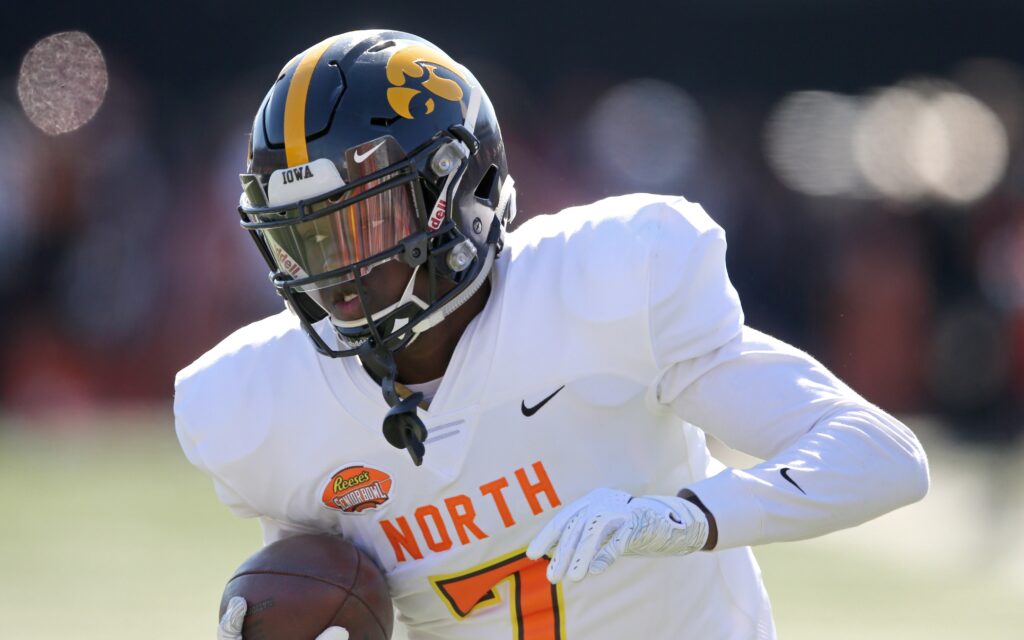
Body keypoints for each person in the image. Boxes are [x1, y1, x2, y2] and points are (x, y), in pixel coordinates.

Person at [174, 29, 930, 640]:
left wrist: (680, 519)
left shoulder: (609, 282)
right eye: (309, 239)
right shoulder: (252, 405)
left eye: (364, 222)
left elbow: (883, 457)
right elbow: (330, 597)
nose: (338, 272)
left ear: (459, 191)